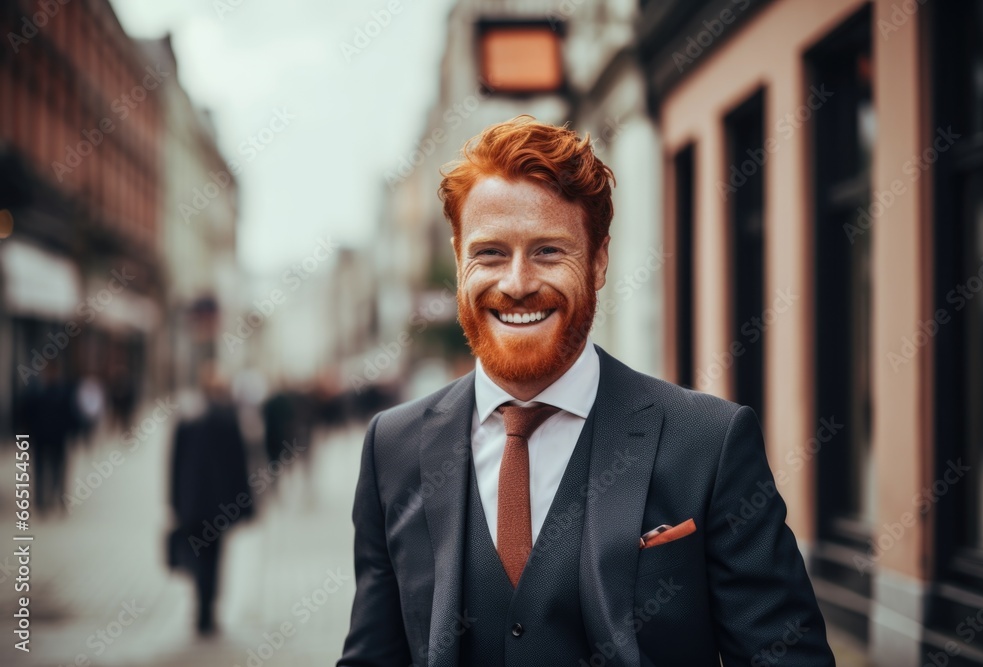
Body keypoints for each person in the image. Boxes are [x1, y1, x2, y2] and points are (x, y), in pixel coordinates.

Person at [338, 116, 836, 666]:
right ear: (459, 260)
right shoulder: (394, 446)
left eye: (549, 251)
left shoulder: (709, 443)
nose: (518, 283)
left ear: (598, 261)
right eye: (490, 253)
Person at [168, 364, 253, 636]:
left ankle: (201, 607)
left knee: (198, 556)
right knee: (214, 557)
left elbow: (174, 465)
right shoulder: (229, 419)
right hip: (219, 505)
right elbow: (240, 466)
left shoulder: (187, 419)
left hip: (192, 503)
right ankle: (208, 610)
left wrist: (174, 501)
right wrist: (246, 504)